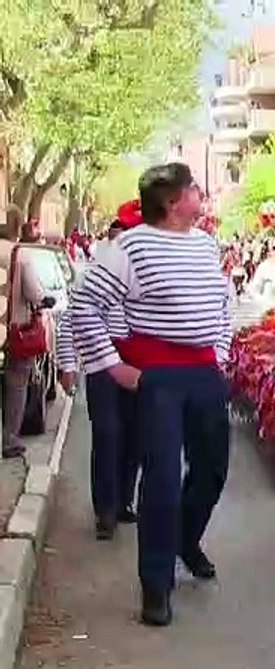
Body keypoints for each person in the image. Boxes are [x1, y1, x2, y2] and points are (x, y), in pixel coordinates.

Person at [68, 162, 232, 627]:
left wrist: (219, 350)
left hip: (204, 373)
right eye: (194, 189)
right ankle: (156, 587)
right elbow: (85, 304)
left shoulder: (204, 244)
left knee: (212, 469)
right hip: (157, 376)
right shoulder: (130, 246)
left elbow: (222, 301)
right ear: (173, 200)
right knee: (160, 479)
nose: (201, 195)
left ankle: (185, 538)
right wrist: (112, 365)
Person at [56, 203, 143, 540]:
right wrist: (66, 362)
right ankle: (104, 510)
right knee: (108, 434)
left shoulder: (146, 274)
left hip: (137, 364)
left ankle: (123, 501)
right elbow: (70, 319)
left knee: (135, 436)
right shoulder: (93, 273)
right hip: (101, 364)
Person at [3, 222, 54, 459]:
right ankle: (10, 438)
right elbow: (34, 293)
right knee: (17, 382)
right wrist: (46, 300)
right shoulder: (19, 255)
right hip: (13, 330)